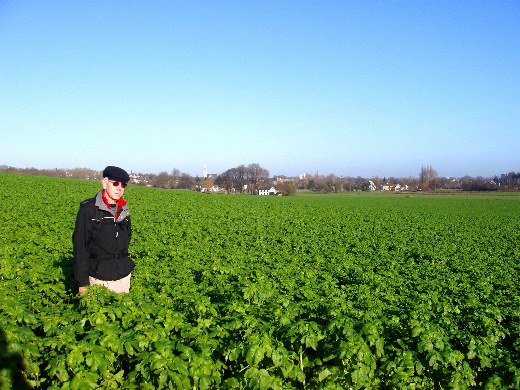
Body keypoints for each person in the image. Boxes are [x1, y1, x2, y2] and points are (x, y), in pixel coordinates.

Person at [73, 166, 135, 294]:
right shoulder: (89, 209)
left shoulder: (124, 210)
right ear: (104, 182)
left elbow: (127, 238)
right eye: (115, 183)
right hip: (98, 278)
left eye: (123, 185)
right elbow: (80, 247)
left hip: (122, 277)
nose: (120, 188)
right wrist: (82, 282)